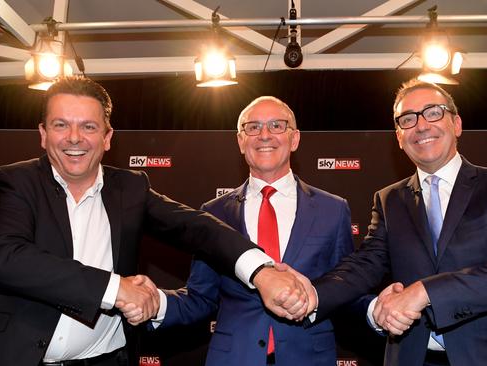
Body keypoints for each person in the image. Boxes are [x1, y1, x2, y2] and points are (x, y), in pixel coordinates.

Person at [0, 77, 310, 366]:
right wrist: (117, 289)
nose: (74, 138)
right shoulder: (15, 182)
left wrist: (261, 271)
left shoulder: (129, 187)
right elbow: (10, 260)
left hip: (107, 360)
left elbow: (196, 227)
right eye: (61, 125)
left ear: (107, 136)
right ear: (43, 133)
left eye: (88, 126)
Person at [294, 79, 487, 365]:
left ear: (457, 124)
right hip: (414, 356)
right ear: (399, 137)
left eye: (433, 112)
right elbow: (365, 265)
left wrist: (423, 292)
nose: (421, 126)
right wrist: (312, 295)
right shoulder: (388, 199)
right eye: (408, 119)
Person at [138, 96, 354, 365]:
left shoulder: (333, 209)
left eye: (277, 125)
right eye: (253, 127)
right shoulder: (214, 213)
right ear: (241, 141)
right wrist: (154, 302)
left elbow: (347, 289)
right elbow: (200, 298)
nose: (264, 135)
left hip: (310, 357)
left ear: (295, 138)